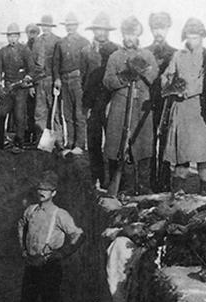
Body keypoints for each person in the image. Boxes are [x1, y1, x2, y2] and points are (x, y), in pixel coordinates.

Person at [6, 172, 84, 302]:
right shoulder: (31, 210)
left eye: (47, 189)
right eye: (40, 188)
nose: (42, 192)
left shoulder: (60, 214)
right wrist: (23, 249)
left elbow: (79, 235)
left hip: (49, 267)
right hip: (32, 265)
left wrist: (62, 254)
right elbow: (21, 225)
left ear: (54, 193)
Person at [103, 17, 160, 194]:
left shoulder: (147, 55)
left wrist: (141, 71)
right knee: (119, 145)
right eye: (126, 34)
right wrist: (125, 77)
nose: (129, 38)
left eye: (133, 34)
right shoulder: (115, 56)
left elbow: (154, 77)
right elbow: (107, 81)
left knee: (144, 146)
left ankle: (143, 186)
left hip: (141, 107)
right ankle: (124, 187)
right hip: (121, 106)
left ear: (138, 35)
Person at [161, 19, 206, 194]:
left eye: (196, 37)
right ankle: (179, 192)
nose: (192, 41)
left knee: (202, 154)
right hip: (180, 108)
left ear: (202, 38)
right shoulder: (178, 55)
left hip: (198, 108)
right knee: (181, 153)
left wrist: (190, 90)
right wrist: (171, 85)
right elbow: (166, 76)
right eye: (190, 37)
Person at [84, 14, 120, 181]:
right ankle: (96, 178)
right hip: (93, 102)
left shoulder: (117, 50)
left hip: (112, 101)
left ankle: (114, 179)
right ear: (94, 31)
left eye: (104, 30)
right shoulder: (86, 50)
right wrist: (86, 105)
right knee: (93, 141)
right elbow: (84, 78)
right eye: (98, 29)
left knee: (113, 142)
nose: (101, 33)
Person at [0, 23, 37, 151]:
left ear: (18, 36)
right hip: (7, 88)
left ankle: (19, 143)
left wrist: (27, 78)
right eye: (10, 36)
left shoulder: (25, 50)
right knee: (0, 115)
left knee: (19, 116)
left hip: (20, 89)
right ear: (7, 37)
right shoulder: (2, 52)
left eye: (15, 36)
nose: (12, 39)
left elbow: (32, 69)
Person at [52, 13, 92, 154]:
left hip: (78, 81)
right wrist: (57, 78)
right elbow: (56, 63)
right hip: (64, 81)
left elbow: (88, 65)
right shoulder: (60, 43)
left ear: (77, 26)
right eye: (68, 25)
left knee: (79, 114)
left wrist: (84, 83)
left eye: (73, 25)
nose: (70, 28)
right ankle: (70, 142)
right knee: (67, 114)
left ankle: (80, 144)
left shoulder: (84, 42)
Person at [148, 12, 177, 189]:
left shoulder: (175, 53)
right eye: (155, 28)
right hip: (148, 104)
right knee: (148, 141)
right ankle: (150, 180)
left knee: (166, 141)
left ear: (167, 29)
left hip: (167, 104)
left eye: (162, 28)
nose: (159, 32)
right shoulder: (145, 52)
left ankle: (164, 181)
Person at [32, 15, 61, 143]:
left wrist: (57, 80)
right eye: (44, 26)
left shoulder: (57, 41)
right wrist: (32, 84)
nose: (46, 28)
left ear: (51, 27)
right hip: (39, 80)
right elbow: (32, 64)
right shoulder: (37, 41)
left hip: (51, 80)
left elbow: (58, 63)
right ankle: (43, 142)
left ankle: (59, 141)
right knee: (39, 112)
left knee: (54, 111)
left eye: (48, 26)